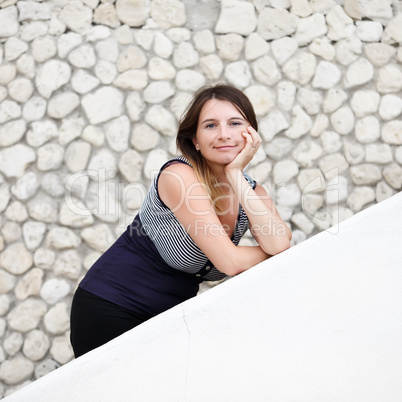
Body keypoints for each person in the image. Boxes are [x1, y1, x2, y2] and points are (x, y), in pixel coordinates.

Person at [70, 84, 292, 357]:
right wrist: (270, 253)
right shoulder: (178, 176)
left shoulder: (252, 192)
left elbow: (280, 243)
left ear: (251, 134)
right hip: (112, 306)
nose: (224, 134)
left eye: (235, 123)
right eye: (210, 126)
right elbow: (232, 261)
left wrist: (235, 174)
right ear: (195, 140)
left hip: (166, 320)